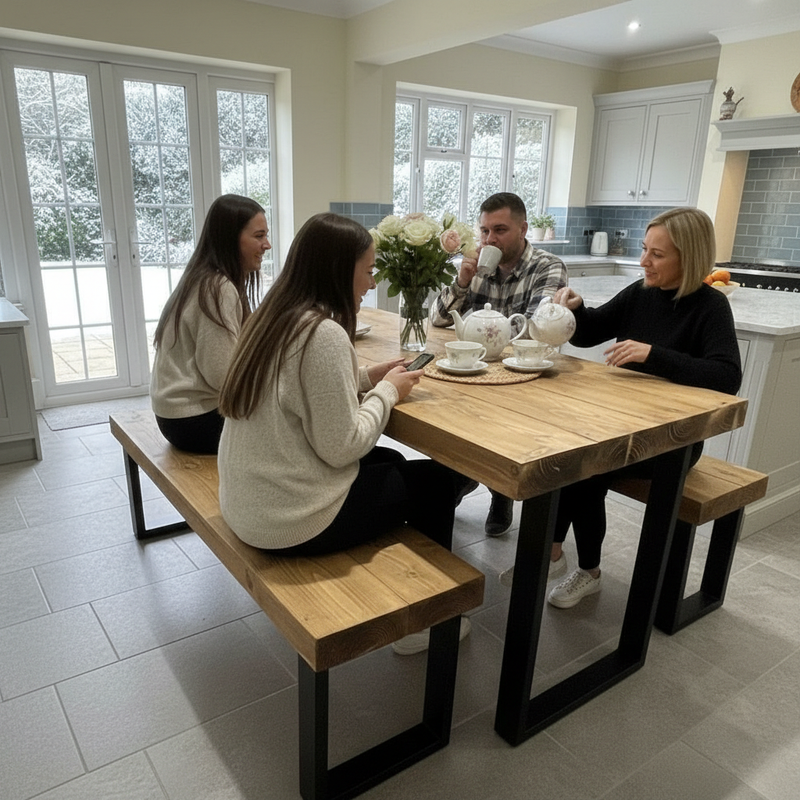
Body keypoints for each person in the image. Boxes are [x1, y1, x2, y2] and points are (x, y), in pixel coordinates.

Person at [217, 212, 474, 655]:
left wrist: (368, 377)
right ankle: (429, 622)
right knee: (434, 482)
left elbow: (295, 384)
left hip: (246, 504)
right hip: (288, 524)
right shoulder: (323, 333)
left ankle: (414, 562)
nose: (372, 283)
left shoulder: (272, 317)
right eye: (368, 270)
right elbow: (343, 448)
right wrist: (388, 392)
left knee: (392, 464)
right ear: (339, 269)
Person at [544, 207, 742, 609]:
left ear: (689, 257)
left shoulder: (710, 307)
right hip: (624, 421)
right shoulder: (641, 292)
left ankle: (578, 566)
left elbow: (726, 376)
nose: (643, 261)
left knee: (586, 465)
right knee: (564, 451)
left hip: (674, 438)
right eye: (644, 249)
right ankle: (555, 554)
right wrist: (576, 309)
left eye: (657, 254)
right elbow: (589, 333)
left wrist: (654, 354)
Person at [431, 192, 567, 538]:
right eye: (484, 231)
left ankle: (498, 491)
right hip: (478, 375)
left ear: (523, 229)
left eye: (500, 230)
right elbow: (438, 319)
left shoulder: (547, 266)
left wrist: (482, 337)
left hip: (526, 381)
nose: (489, 239)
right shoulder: (477, 267)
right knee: (440, 411)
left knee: (501, 427)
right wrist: (462, 281)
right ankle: (457, 476)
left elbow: (536, 330)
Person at [150, 194, 268, 454]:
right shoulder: (218, 287)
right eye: (259, 236)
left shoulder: (204, 277)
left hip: (177, 416)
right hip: (195, 421)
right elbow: (223, 376)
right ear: (231, 239)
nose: (266, 245)